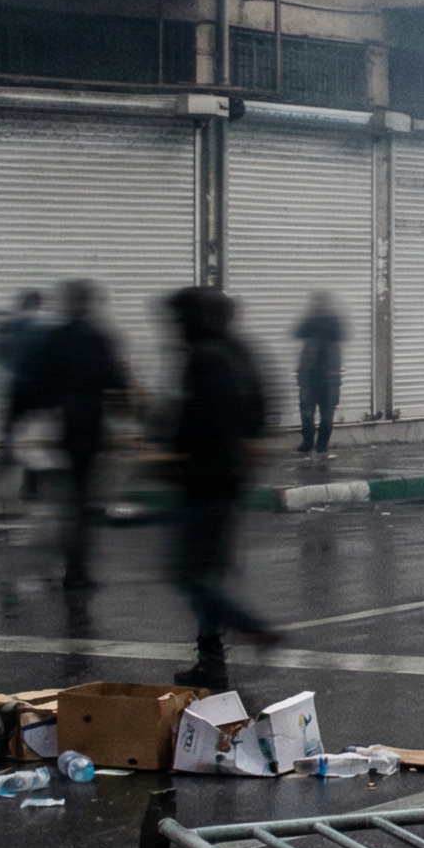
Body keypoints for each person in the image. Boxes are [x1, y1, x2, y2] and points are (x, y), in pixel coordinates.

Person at [167, 286, 278, 690]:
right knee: (207, 573)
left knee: (190, 574)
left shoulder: (205, 357)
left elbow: (196, 420)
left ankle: (251, 628)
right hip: (230, 479)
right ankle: (210, 660)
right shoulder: (241, 351)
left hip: (204, 480)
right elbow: (264, 404)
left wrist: (172, 450)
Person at [22, 280, 130, 592]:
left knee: (68, 498)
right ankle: (78, 569)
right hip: (91, 425)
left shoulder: (56, 337)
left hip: (63, 425)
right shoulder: (97, 336)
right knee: (84, 499)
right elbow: (113, 379)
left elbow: (38, 383)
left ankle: (73, 564)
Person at [0, 289, 53, 494]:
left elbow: (0, 352)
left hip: (15, 386)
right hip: (37, 390)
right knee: (36, 435)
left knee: (14, 429)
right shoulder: (43, 329)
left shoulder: (11, 325)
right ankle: (32, 484)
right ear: (39, 304)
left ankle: (8, 458)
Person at [294, 292, 347, 459]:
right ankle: (308, 444)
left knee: (326, 415)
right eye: (314, 303)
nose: (316, 305)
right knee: (307, 414)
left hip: (328, 379)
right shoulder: (310, 322)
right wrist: (311, 318)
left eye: (319, 302)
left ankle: (321, 447)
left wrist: (320, 320)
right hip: (309, 379)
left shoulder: (333, 322)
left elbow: (339, 335)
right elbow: (298, 333)